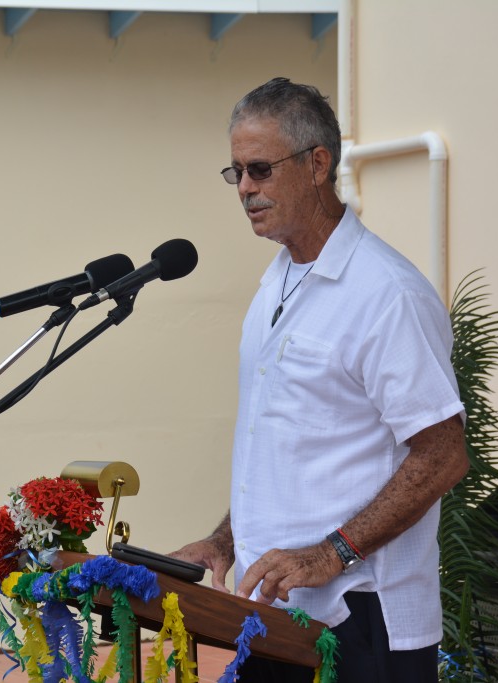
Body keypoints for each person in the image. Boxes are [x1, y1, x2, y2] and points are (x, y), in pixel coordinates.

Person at [171, 77, 470, 682]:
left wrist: (331, 554)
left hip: (363, 617)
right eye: (236, 173)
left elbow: (443, 455)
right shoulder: (276, 283)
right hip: (272, 614)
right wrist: (226, 541)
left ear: (317, 165)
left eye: (260, 170)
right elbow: (285, 451)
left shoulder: (386, 293)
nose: (245, 189)